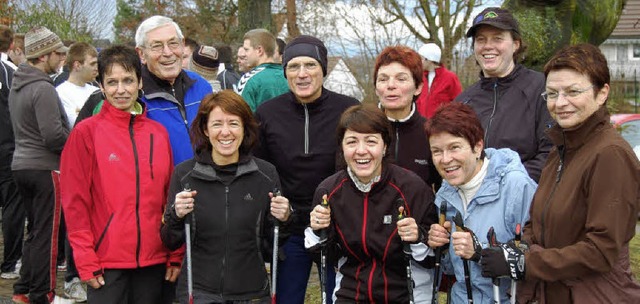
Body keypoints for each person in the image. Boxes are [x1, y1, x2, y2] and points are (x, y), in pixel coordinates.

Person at [480, 44, 640, 303]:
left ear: (602, 93)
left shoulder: (610, 154)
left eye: (573, 92)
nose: (560, 103)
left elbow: (601, 250)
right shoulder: (560, 149)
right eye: (552, 93)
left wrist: (524, 263)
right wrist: (517, 247)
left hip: (594, 295)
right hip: (553, 292)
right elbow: (540, 221)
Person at [60, 45, 181, 304]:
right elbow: (74, 203)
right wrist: (84, 258)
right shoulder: (86, 133)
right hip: (106, 263)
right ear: (101, 87)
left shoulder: (157, 133)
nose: (121, 89)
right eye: (112, 82)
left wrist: (175, 253)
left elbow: (170, 199)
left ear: (140, 83)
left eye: (128, 80)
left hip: (155, 260)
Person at [254, 35, 359, 304]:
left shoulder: (347, 109)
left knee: (340, 298)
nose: (302, 74)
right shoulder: (267, 113)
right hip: (289, 228)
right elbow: (260, 169)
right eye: (294, 66)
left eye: (311, 65)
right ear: (285, 71)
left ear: (323, 69)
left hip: (336, 227)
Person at [161, 90, 291, 303]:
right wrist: (176, 214)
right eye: (217, 124)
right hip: (199, 292)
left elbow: (273, 243)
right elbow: (170, 240)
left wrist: (284, 219)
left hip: (252, 293)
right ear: (205, 129)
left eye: (233, 123)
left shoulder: (265, 175)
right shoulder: (185, 175)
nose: (225, 132)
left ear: (244, 128)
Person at [305, 104, 436, 303]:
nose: (361, 151)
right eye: (351, 142)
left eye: (371, 141)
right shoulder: (328, 191)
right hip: (351, 292)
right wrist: (317, 231)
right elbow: (325, 257)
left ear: (384, 146)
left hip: (406, 293)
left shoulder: (413, 189)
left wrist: (418, 237)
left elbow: (433, 259)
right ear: (342, 146)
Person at [426, 102, 536, 304]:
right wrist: (439, 245)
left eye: (454, 148)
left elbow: (537, 256)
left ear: (478, 146)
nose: (445, 159)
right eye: (436, 151)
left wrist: (480, 252)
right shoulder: (444, 195)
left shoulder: (516, 186)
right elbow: (452, 269)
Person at [455, 7, 553, 182]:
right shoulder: (463, 102)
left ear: (516, 44)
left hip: (526, 199)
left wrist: (501, 184)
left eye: (497, 39)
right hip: (474, 201)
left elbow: (551, 153)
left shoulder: (542, 89)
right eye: (481, 40)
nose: (488, 46)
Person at [9, 26, 70, 304]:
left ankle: (23, 289)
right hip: (45, 169)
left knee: (34, 231)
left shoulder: (18, 83)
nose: (62, 58)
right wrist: (75, 142)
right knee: (48, 234)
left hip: (21, 165)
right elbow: (53, 135)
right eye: (58, 53)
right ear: (43, 55)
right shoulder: (43, 87)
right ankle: (43, 294)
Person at [135, 15, 212, 165]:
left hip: (206, 183)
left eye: (173, 43)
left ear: (183, 45)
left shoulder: (202, 86)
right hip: (163, 187)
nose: (168, 52)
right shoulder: (133, 96)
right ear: (142, 54)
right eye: (157, 46)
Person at [374, 45, 441, 191]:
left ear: (418, 87)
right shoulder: (362, 130)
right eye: (383, 79)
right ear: (376, 88)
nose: (391, 85)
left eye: (401, 79)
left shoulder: (432, 134)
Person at [0, 24, 25, 282]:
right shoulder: (11, 73)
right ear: (10, 47)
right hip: (8, 149)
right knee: (12, 205)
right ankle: (9, 264)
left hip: (7, 147)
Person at [235, 29, 289, 111]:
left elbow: (241, 116)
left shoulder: (249, 80)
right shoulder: (290, 77)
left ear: (259, 51)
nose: (244, 54)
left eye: (246, 50)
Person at [56, 42, 99, 127]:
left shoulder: (96, 91)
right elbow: (75, 125)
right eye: (92, 64)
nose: (96, 68)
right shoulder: (60, 93)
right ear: (77, 65)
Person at [415, 43, 462, 118]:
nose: (418, 62)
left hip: (441, 126)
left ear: (429, 60)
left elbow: (459, 104)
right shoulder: (420, 77)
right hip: (421, 125)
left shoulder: (450, 77)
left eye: (421, 58)